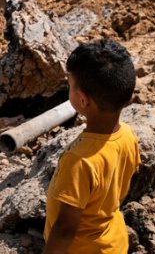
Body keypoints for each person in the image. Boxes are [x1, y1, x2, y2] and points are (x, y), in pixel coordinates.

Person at [43, 40, 140, 254]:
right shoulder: (128, 136)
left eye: (69, 84)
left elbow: (66, 229)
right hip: (113, 242)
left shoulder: (79, 160)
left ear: (83, 100)